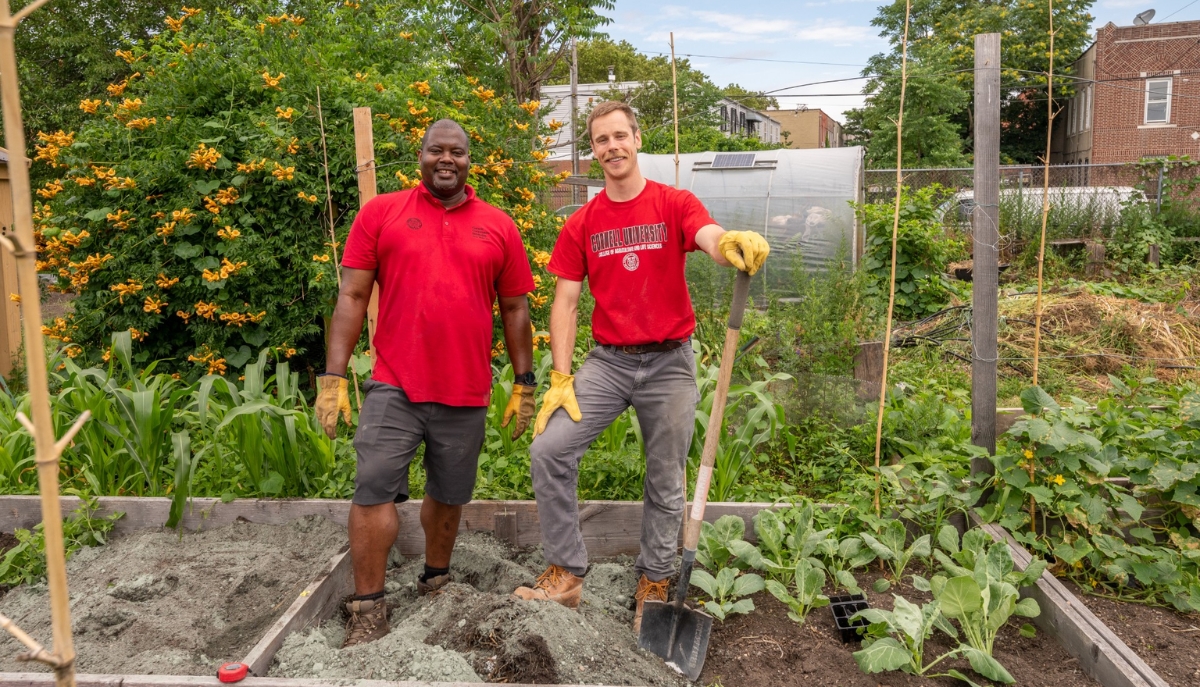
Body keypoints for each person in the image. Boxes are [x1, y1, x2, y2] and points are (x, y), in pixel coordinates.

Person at [512, 101, 769, 632]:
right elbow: (564, 302)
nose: (612, 148)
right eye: (601, 140)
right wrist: (561, 377)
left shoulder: (672, 203)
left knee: (665, 477)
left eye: (619, 136)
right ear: (594, 151)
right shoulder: (582, 222)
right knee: (550, 449)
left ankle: (654, 580)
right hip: (608, 363)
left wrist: (729, 243)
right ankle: (567, 572)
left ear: (637, 138)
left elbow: (707, 237)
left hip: (669, 362)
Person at [317, 119, 537, 647]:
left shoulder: (498, 226)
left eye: (456, 152)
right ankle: (368, 608)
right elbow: (351, 297)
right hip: (394, 382)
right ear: (419, 156)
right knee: (373, 487)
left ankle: (435, 582)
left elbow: (514, 307)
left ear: (468, 160)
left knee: (449, 493)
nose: (447, 159)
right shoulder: (382, 213)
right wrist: (333, 376)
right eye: (436, 150)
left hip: (465, 389)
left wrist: (525, 383)